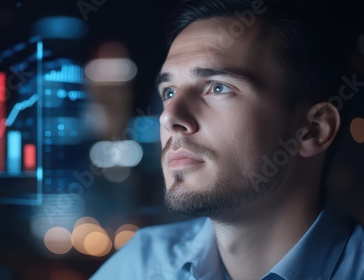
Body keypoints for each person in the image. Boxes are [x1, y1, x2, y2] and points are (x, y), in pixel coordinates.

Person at [91, 0, 364, 279]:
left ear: (313, 130)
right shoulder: (142, 264)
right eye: (169, 92)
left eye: (217, 87)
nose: (169, 117)